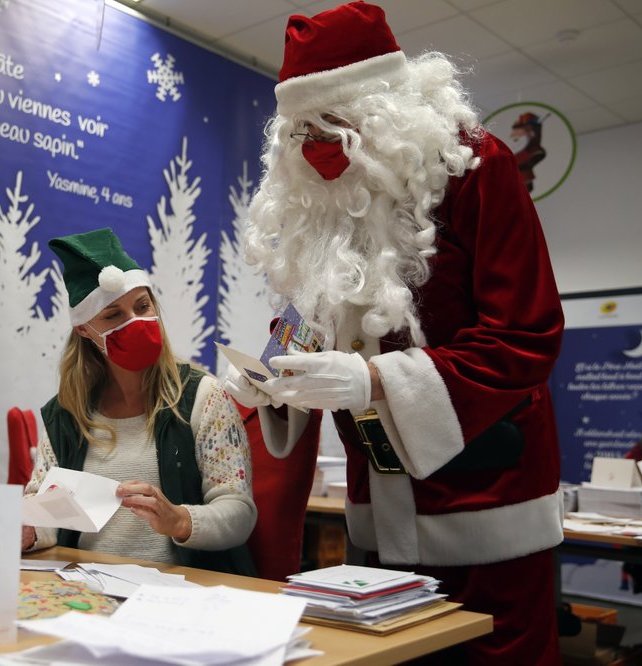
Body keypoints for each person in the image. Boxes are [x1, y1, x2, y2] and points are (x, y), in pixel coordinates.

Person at [223, 3, 565, 663]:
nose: (319, 146)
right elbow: (305, 319)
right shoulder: (322, 206)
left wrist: (373, 379)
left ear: (388, 108)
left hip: (487, 496)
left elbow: (526, 336)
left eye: (335, 123)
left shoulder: (475, 168)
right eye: (302, 130)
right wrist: (273, 376)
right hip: (377, 502)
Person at [21, 227, 257, 576]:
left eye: (142, 306)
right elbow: (44, 513)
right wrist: (27, 530)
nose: (135, 322)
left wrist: (179, 520)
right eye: (113, 315)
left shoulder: (202, 397)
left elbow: (239, 513)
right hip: (86, 587)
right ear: (85, 330)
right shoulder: (68, 413)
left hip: (177, 595)